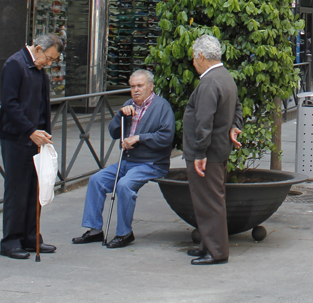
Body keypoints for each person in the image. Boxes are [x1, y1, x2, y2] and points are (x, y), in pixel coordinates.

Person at [73, 69, 174, 248]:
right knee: (96, 180)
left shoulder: (162, 106)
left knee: (124, 185)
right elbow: (113, 132)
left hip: (151, 162)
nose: (135, 90)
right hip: (127, 161)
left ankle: (124, 233)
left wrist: (139, 138)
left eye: (140, 86)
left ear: (150, 87)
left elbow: (166, 137)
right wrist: (120, 115)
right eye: (132, 86)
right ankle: (95, 230)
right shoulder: (128, 105)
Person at [0, 33, 62, 259]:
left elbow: (43, 105)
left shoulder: (39, 70)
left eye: (53, 61)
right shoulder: (15, 64)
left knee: (35, 189)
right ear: (37, 48)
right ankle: (11, 241)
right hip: (17, 137)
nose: (49, 63)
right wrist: (30, 130)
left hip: (37, 138)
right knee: (17, 190)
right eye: (49, 58)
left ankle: (31, 237)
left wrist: (45, 134)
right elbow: (10, 103)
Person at [184, 34, 242, 265]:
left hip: (209, 154)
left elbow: (204, 121)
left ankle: (216, 251)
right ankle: (207, 244)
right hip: (218, 149)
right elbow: (236, 107)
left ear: (200, 56)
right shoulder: (225, 76)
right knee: (209, 200)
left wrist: (199, 153)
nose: (193, 62)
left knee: (209, 201)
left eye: (193, 58)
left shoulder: (209, 81)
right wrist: (235, 127)